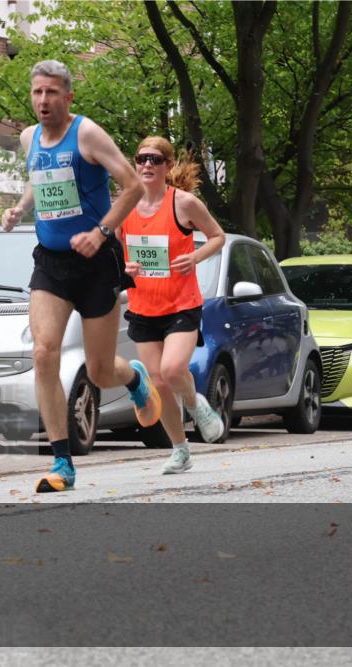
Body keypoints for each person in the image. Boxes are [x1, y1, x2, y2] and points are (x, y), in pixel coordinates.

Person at [1, 60, 162, 494]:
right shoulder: (28, 137)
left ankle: (134, 379)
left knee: (100, 369)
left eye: (52, 92)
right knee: (43, 353)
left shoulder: (87, 133)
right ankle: (62, 460)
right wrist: (20, 207)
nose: (43, 100)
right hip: (51, 263)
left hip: (96, 262)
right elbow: (41, 179)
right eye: (37, 92)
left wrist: (101, 232)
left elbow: (131, 185)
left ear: (68, 97)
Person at [119, 136, 226, 474]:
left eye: (154, 159)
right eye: (141, 159)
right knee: (159, 383)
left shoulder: (183, 203)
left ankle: (197, 405)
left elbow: (218, 237)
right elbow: (114, 253)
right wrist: (125, 269)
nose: (147, 165)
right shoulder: (125, 205)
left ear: (166, 166)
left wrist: (194, 257)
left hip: (181, 303)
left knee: (171, 370)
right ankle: (180, 450)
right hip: (143, 305)